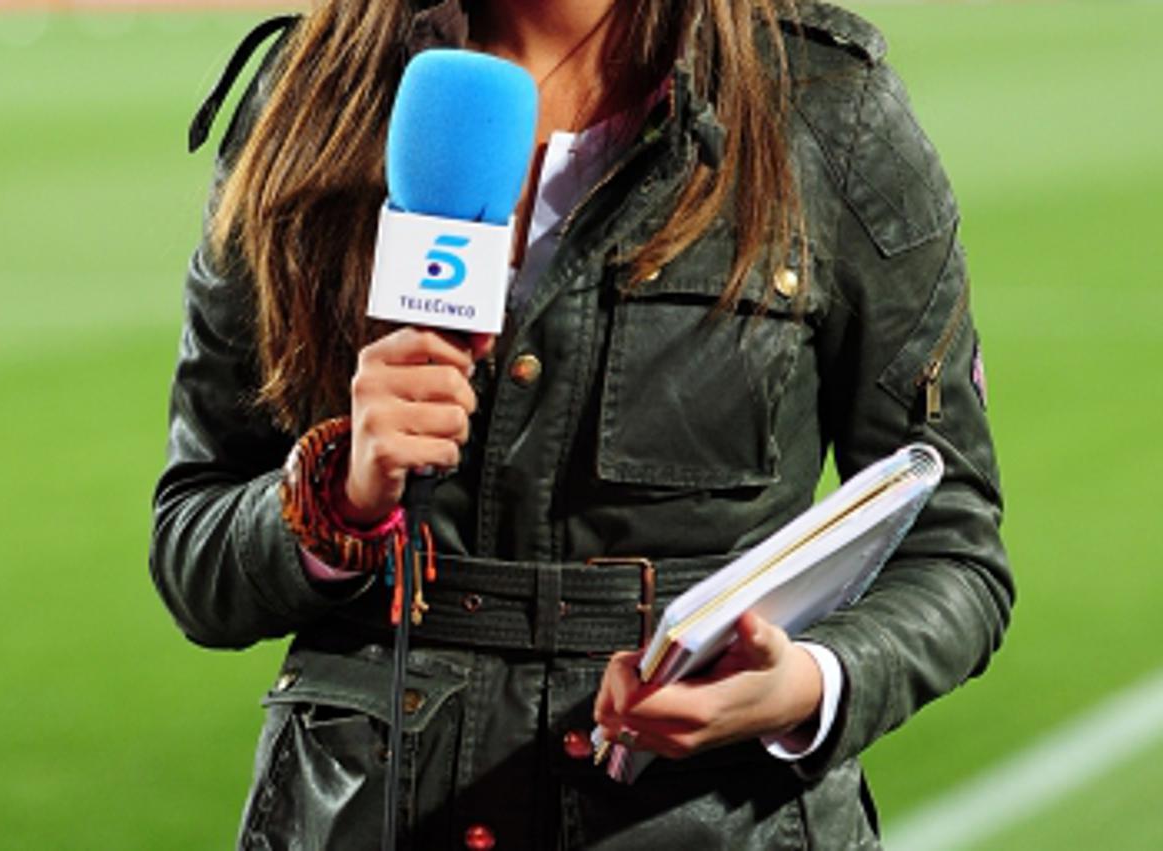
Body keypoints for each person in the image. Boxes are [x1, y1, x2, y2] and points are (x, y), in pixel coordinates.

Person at [151, 0, 1014, 848]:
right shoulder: (307, 95)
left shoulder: (826, 103)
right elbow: (193, 546)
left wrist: (808, 683)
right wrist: (336, 497)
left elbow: (952, 547)